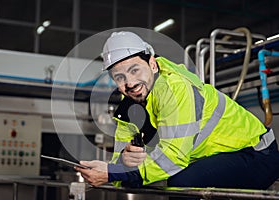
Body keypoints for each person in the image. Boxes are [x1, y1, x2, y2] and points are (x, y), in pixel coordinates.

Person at [75, 31, 279, 190]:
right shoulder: (128, 105)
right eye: (119, 77)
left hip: (256, 154)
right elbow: (119, 163)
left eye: (134, 70)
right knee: (148, 179)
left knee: (180, 181)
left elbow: (172, 159)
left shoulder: (175, 89)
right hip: (217, 158)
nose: (130, 83)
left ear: (152, 64)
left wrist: (113, 173)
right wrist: (121, 163)